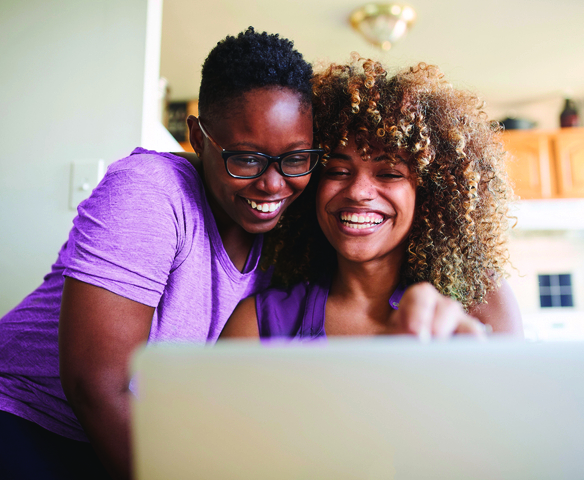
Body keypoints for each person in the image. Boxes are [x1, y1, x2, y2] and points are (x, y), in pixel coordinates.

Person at [221, 58, 523, 341]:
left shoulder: (480, 303)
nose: (357, 191)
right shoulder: (258, 325)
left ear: (430, 193)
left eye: (389, 174)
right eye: (338, 170)